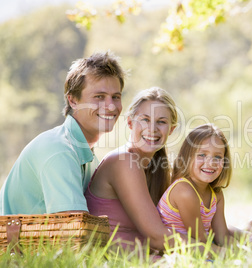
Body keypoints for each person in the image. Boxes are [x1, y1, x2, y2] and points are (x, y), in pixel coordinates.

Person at [0, 51, 125, 215]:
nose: (111, 106)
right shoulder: (59, 151)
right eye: (99, 96)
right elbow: (73, 230)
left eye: (115, 97)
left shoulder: (90, 159)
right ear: (73, 100)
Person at [157, 124, 252, 248]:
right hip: (191, 248)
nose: (210, 162)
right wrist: (242, 252)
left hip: (206, 243)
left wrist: (247, 247)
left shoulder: (216, 194)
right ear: (186, 158)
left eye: (217, 157)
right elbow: (201, 240)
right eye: (202, 155)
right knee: (248, 246)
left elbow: (222, 236)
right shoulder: (184, 191)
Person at [85, 87, 181, 251]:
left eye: (162, 122)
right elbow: (158, 237)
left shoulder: (157, 167)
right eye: (145, 119)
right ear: (130, 122)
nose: (152, 129)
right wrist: (215, 251)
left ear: (171, 129)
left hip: (144, 255)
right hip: (114, 258)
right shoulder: (124, 162)